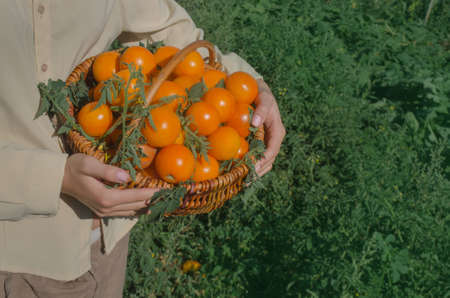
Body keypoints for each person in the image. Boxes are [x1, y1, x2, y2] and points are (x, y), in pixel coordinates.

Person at [0, 0, 285, 297]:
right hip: (18, 256)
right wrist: (56, 178)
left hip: (108, 237)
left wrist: (252, 88)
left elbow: (166, 31)